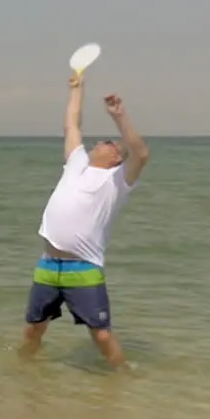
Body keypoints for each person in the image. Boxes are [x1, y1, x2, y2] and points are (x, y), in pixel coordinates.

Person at [18, 71, 149, 370]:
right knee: (32, 330)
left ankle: (123, 378)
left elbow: (140, 154)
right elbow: (71, 123)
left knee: (102, 337)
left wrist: (120, 116)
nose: (98, 143)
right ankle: (21, 373)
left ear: (116, 156)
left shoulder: (118, 181)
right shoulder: (76, 163)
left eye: (107, 142)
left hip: (84, 268)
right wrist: (77, 89)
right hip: (48, 265)